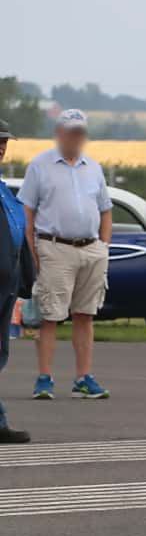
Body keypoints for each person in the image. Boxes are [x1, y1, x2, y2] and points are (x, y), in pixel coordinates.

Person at [19, 109, 111, 400]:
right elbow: (27, 211)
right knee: (50, 315)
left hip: (91, 249)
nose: (76, 137)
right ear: (59, 133)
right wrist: (32, 250)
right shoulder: (40, 166)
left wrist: (104, 247)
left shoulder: (93, 168)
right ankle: (44, 378)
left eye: (80, 132)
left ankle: (83, 378)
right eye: (70, 131)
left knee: (85, 315)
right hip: (54, 246)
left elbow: (105, 209)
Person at [0, 120, 32, 442]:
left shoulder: (3, 189)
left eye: (4, 141)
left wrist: (28, 275)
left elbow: (15, 231)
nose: (1, 146)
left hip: (7, 283)